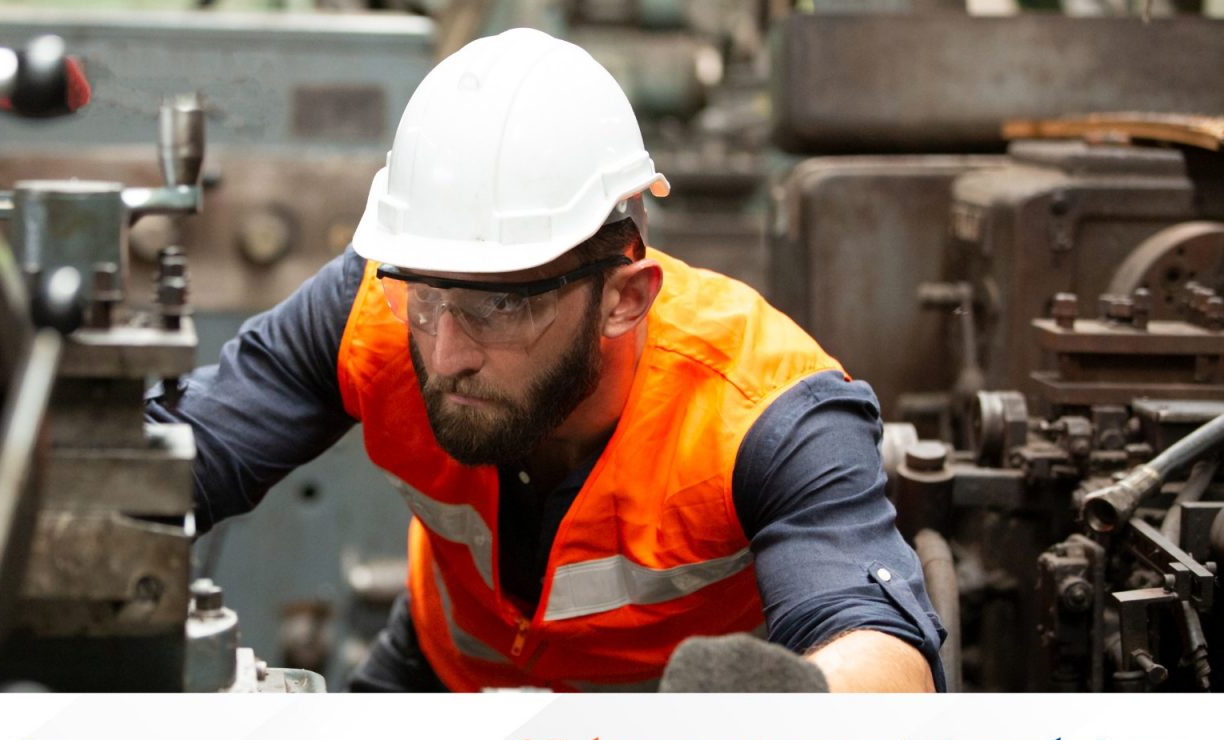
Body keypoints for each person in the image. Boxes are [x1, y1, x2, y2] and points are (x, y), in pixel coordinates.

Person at [149, 28, 944, 693]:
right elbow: (175, 460)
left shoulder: (764, 411)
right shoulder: (371, 311)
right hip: (448, 675)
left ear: (624, 297)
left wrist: (783, 716)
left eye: (502, 307)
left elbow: (882, 660)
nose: (446, 354)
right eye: (424, 299)